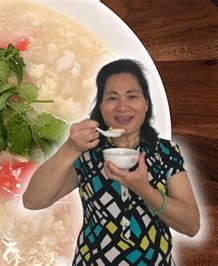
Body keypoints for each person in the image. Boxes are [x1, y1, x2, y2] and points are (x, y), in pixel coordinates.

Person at [23, 59, 200, 265]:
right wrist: (70, 148)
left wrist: (144, 189)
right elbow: (33, 200)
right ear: (101, 105)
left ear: (146, 104)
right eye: (112, 98)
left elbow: (191, 225)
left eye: (132, 97)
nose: (122, 107)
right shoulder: (88, 153)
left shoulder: (166, 153)